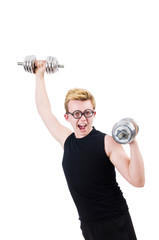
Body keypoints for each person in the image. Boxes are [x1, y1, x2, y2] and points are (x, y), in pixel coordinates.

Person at [35, 60, 145, 240]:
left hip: (115, 222)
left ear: (94, 114)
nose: (83, 119)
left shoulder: (107, 142)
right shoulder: (67, 140)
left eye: (87, 113)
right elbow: (44, 111)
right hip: (88, 225)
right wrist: (40, 75)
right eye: (77, 114)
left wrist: (132, 141)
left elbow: (138, 181)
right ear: (67, 117)